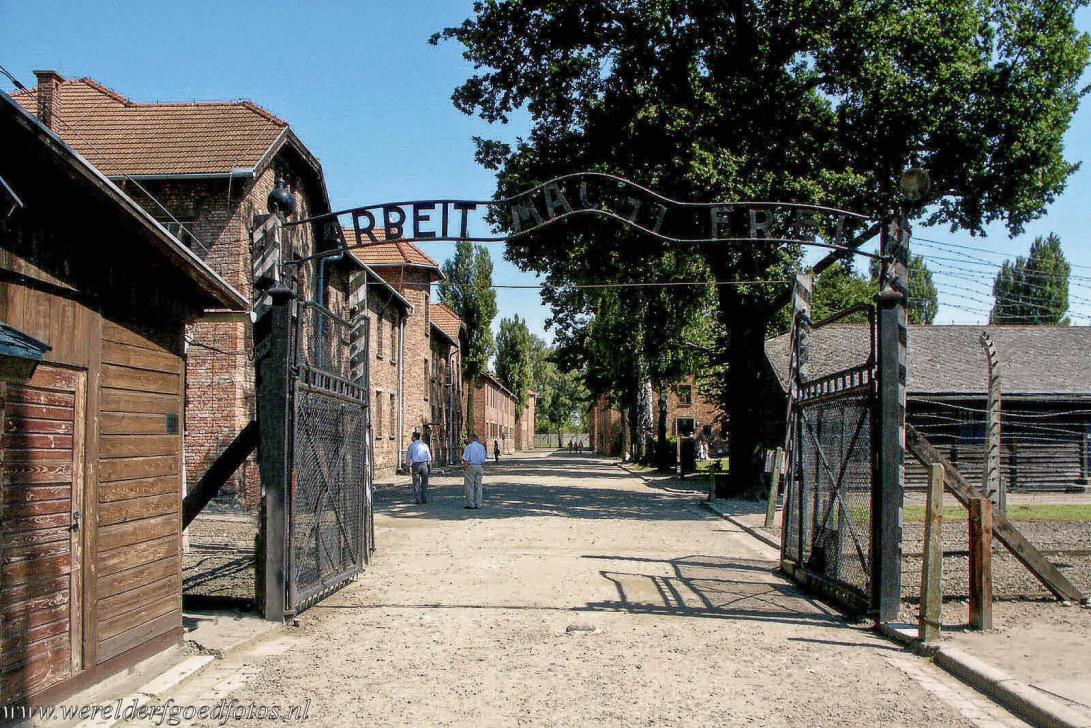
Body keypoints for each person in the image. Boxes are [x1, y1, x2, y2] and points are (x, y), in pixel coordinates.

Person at [462, 432, 488, 510]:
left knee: (469, 485)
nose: (468, 440)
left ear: (471, 438)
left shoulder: (469, 447)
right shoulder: (481, 447)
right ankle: (478, 503)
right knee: (478, 485)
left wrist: (465, 468)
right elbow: (484, 459)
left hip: (471, 466)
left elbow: (466, 459)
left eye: (469, 438)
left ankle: (470, 503)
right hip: (479, 466)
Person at [405, 432, 432, 504]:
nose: (411, 438)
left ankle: (418, 499)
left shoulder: (412, 446)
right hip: (424, 464)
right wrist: (429, 464)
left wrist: (407, 465)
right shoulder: (425, 445)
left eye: (412, 436)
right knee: (425, 482)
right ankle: (424, 498)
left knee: (416, 483)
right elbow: (429, 456)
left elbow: (408, 456)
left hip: (416, 465)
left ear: (414, 437)